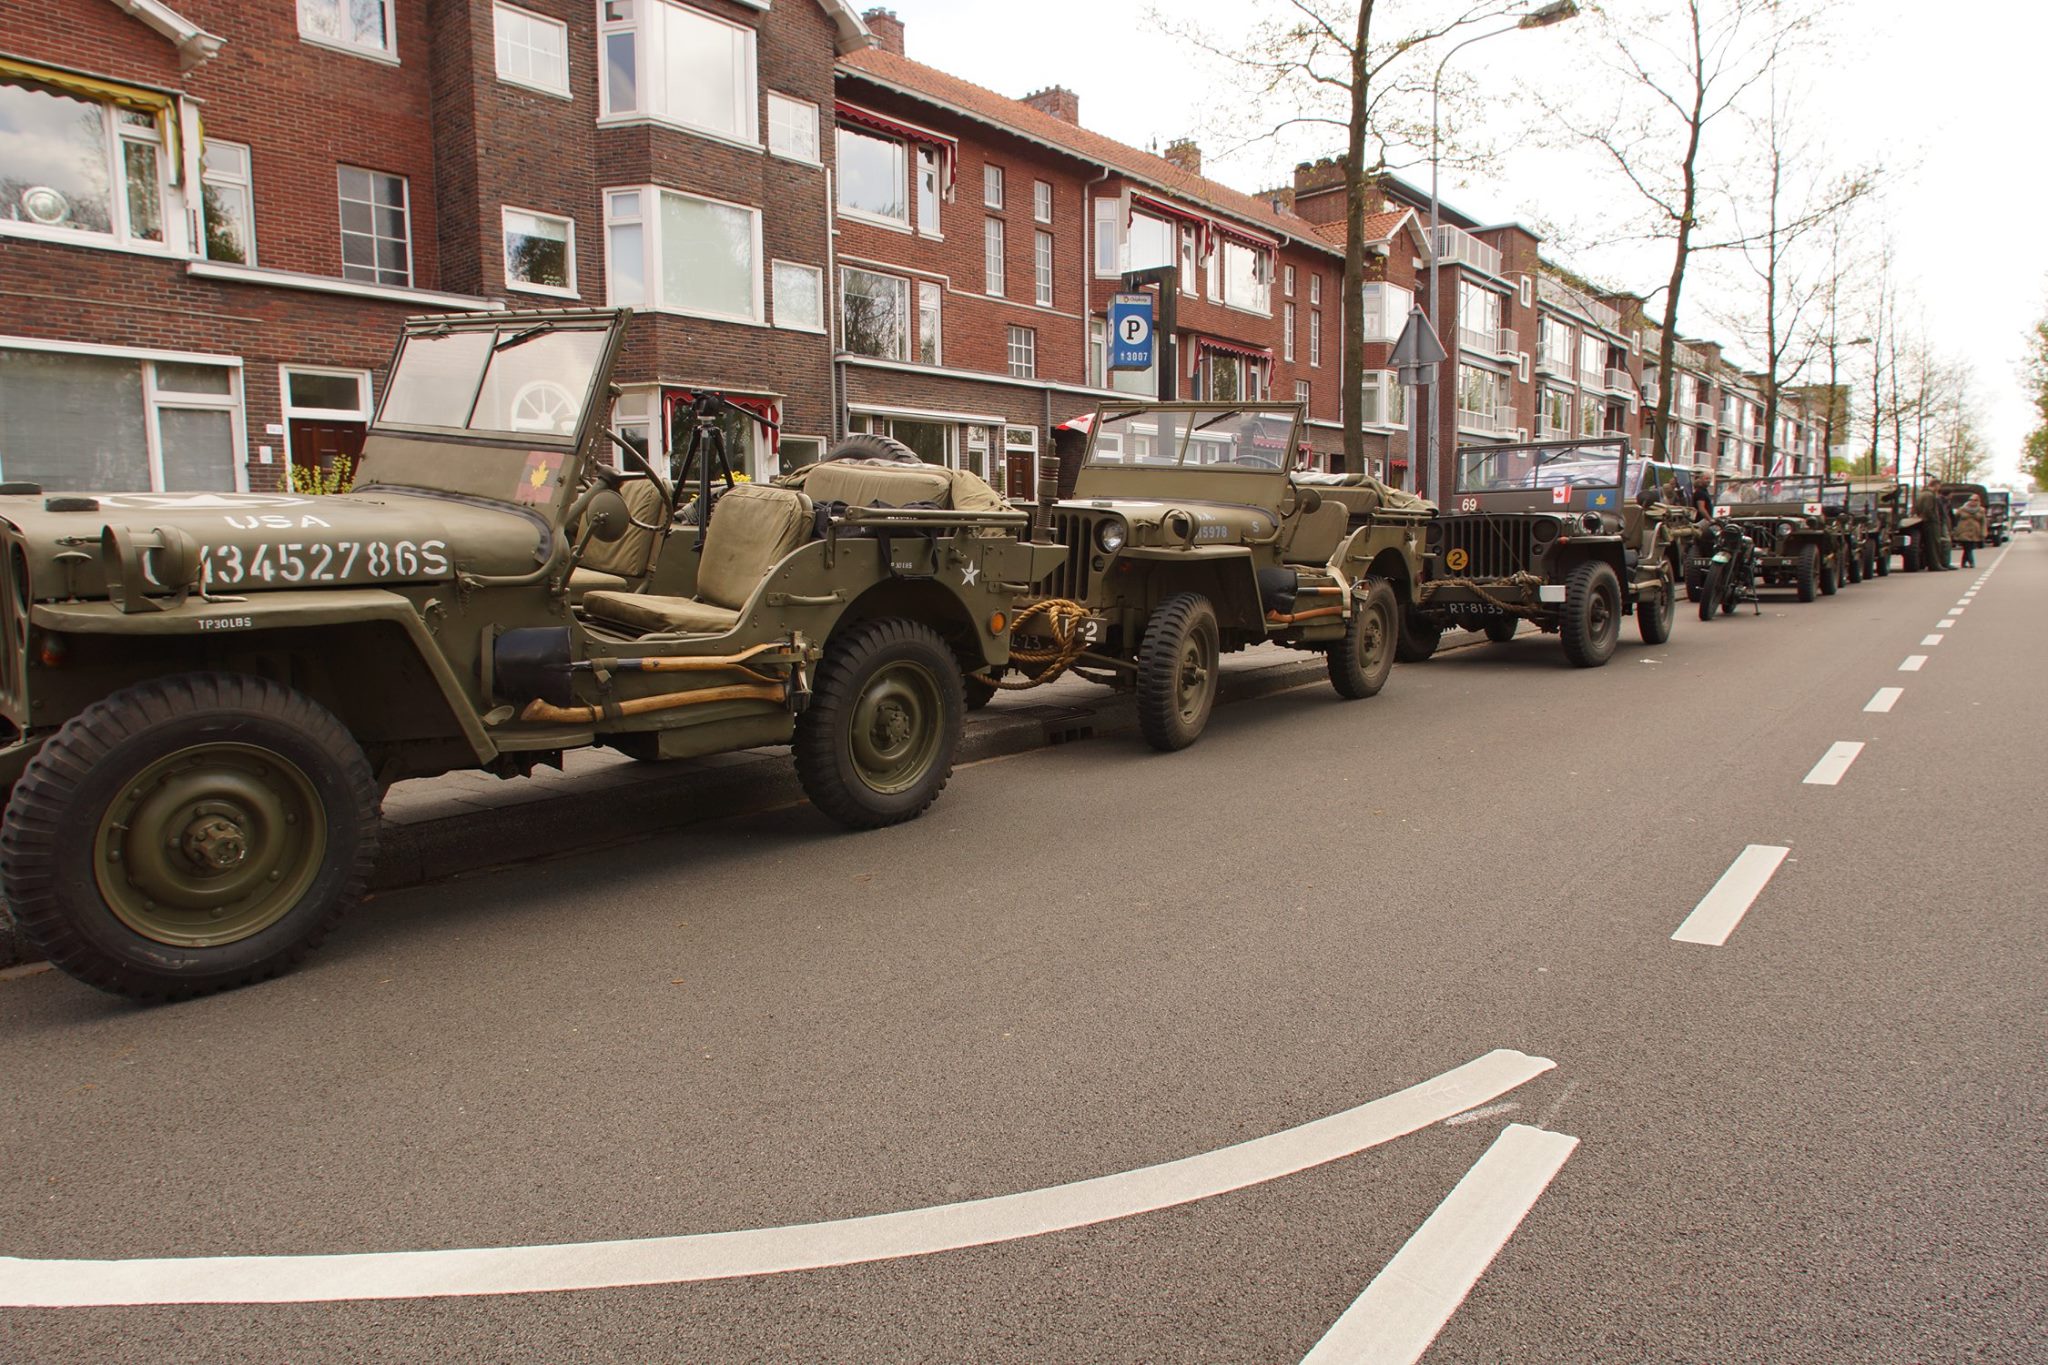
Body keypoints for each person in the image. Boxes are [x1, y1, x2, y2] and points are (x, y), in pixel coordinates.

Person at [1913, 479, 1950, 570]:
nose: (1939, 488)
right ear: (1936, 485)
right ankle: (1935, 565)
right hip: (1930, 523)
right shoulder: (1929, 495)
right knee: (1933, 544)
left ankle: (1933, 564)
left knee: (1931, 544)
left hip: (1925, 521)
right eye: (1939, 486)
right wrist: (1933, 519)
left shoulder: (1923, 494)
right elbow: (1928, 509)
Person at [1954, 493, 1987, 567]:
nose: (1972, 502)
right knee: (1967, 547)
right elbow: (1955, 518)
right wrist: (1955, 530)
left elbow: (1983, 522)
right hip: (1963, 531)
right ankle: (1972, 562)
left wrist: (1983, 532)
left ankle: (1963, 562)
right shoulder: (1962, 509)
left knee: (1969, 547)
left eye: (1975, 500)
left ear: (1978, 501)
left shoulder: (1981, 510)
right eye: (1971, 500)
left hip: (1974, 532)